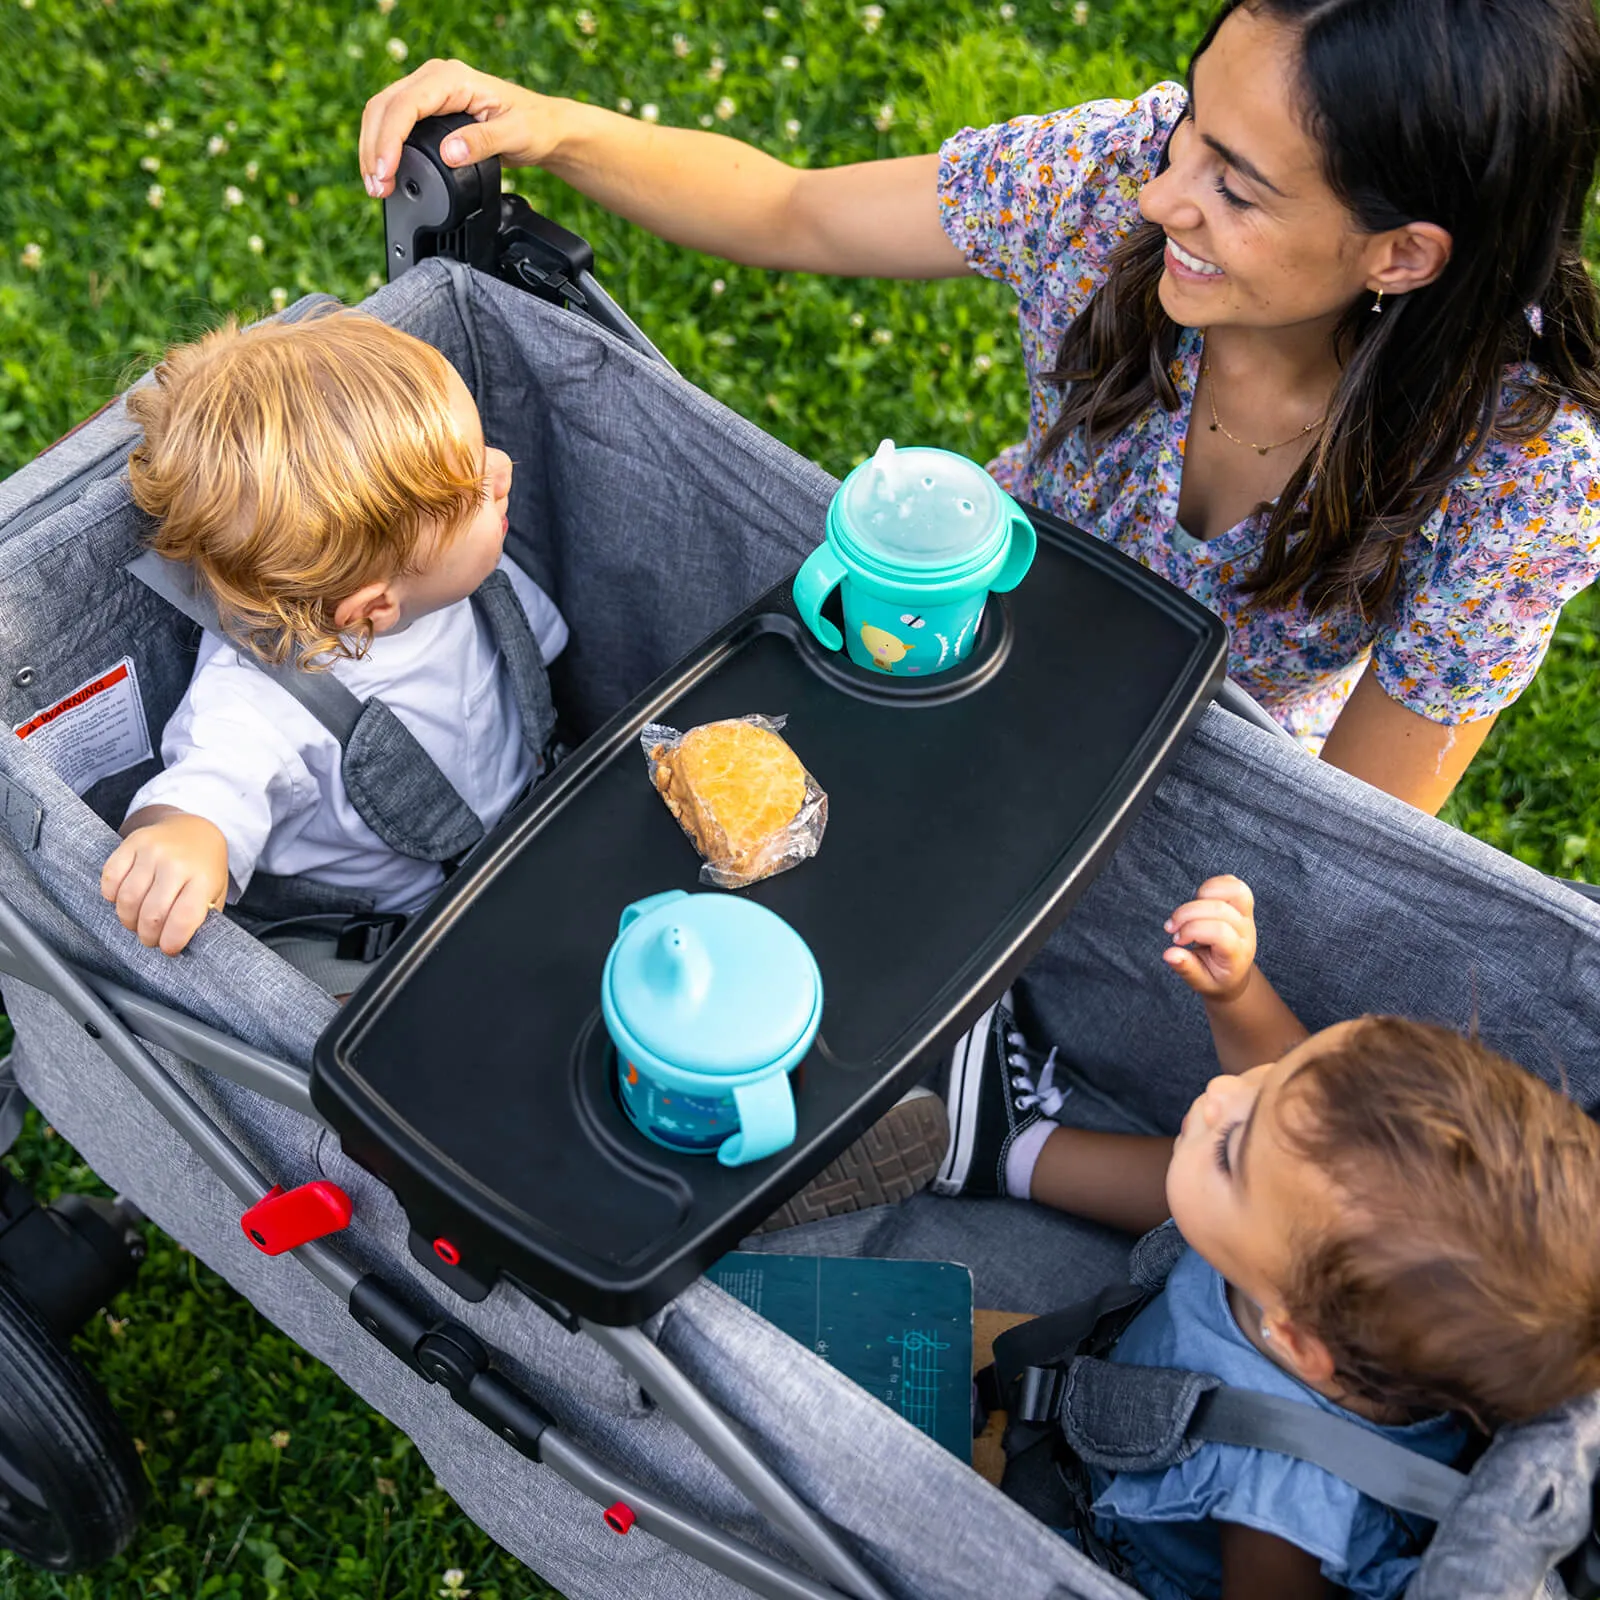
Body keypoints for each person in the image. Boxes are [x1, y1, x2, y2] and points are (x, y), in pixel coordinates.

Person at [359, 0, 1600, 813]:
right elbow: (794, 208)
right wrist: (563, 127)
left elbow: (1360, 833)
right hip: (959, 615)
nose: (1163, 194)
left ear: (1401, 255)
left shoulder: (1525, 479)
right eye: (1189, 126)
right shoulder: (1115, 172)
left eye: (1238, 187)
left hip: (1200, 763)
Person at [934, 875, 1600, 1599]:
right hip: (1199, 1310)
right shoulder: (1322, 1272)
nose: (1221, 1093)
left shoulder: (1282, 1505)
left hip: (1101, 1517)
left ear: (1297, 1340)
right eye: (1273, 1080)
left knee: (1207, 1190)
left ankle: (1014, 1151)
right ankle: (1009, 1150)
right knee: (1219, 1191)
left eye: (1236, 1148)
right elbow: (1280, 1097)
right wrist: (1238, 991)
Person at [102, 310, 568, 956]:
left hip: (533, 820)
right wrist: (183, 835)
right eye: (474, 491)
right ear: (372, 610)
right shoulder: (258, 704)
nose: (501, 468)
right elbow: (210, 784)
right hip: (405, 937)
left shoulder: (457, 580)